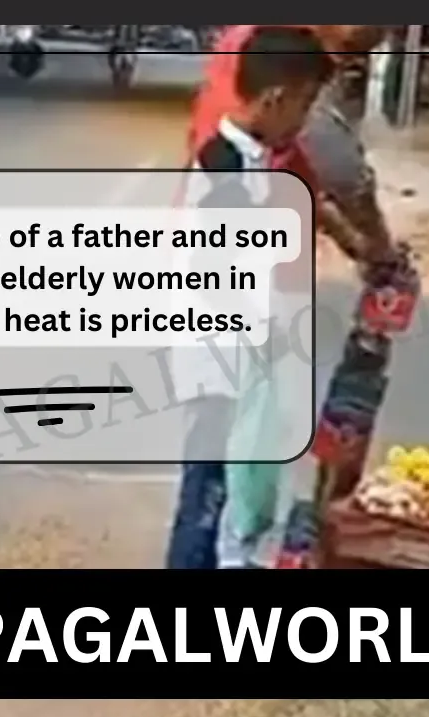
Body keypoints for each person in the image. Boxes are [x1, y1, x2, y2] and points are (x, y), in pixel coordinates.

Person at [165, 26, 335, 570]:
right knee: (209, 499)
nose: (305, 119)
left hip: (240, 360)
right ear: (276, 98)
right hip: (219, 362)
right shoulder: (223, 169)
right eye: (305, 104)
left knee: (231, 492)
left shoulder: (255, 158)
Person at [187, 24, 397, 266]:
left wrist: (347, 238)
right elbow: (341, 171)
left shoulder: (259, 132)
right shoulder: (230, 170)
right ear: (275, 100)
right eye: (306, 105)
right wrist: (379, 248)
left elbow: (299, 174)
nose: (347, 63)